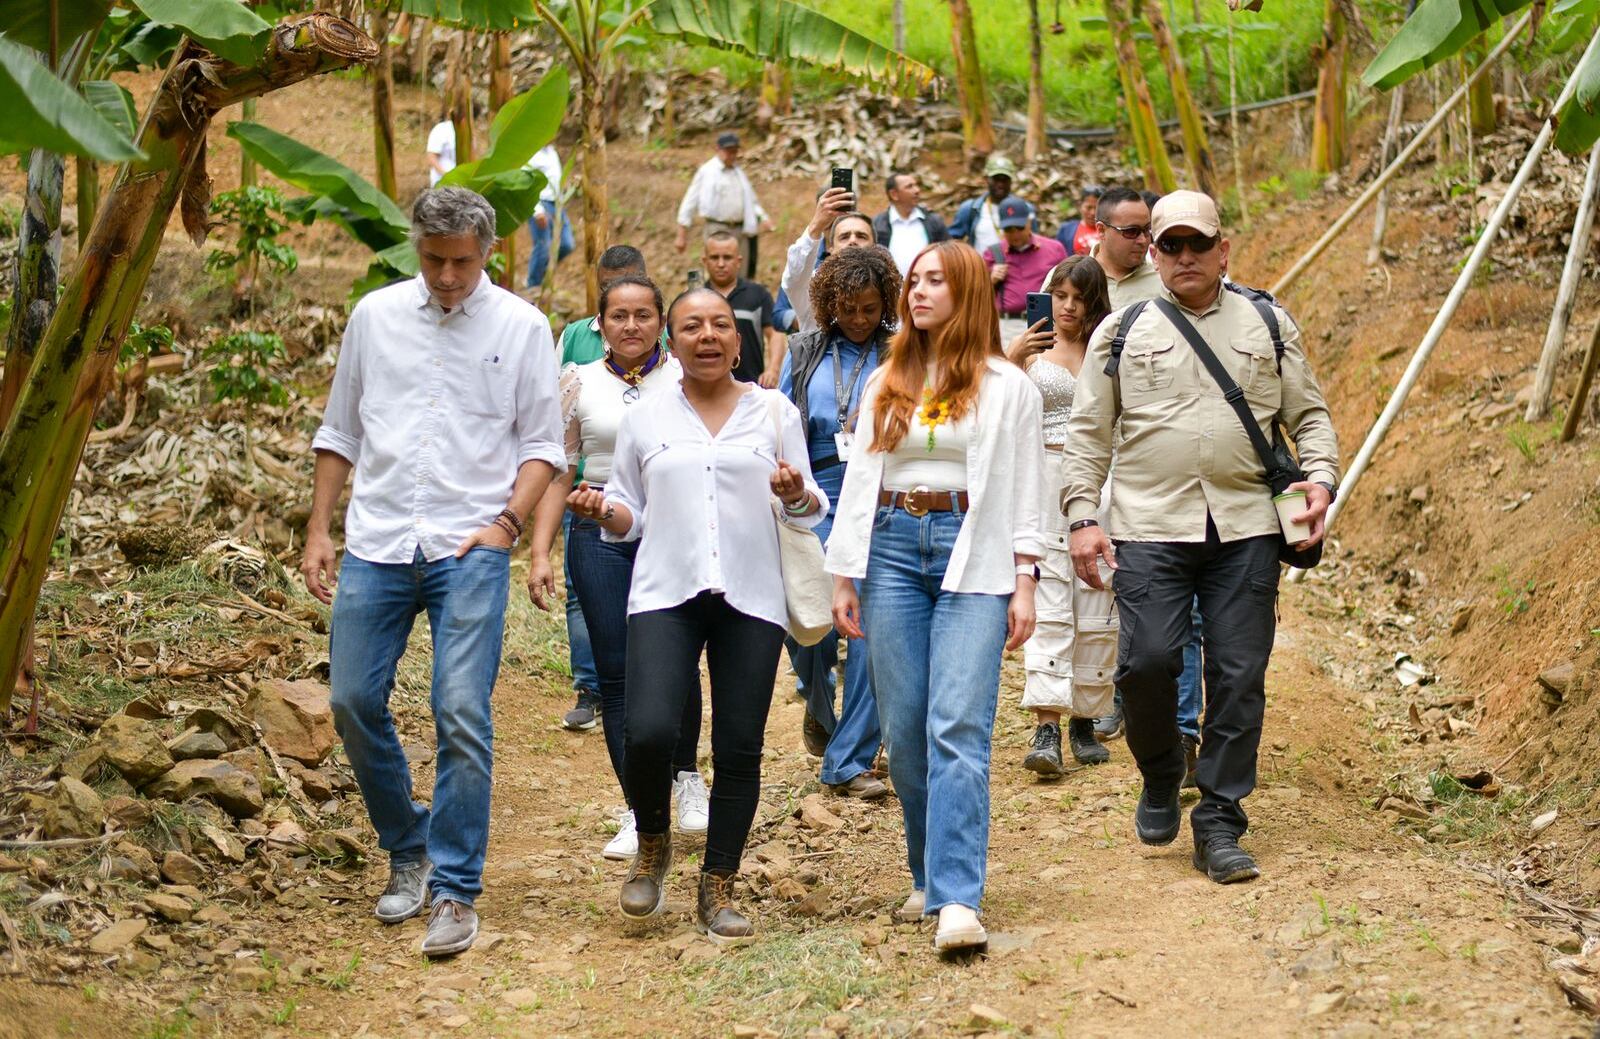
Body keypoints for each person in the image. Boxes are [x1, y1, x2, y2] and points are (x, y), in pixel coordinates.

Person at [302, 187, 565, 957]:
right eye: (432, 259)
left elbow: (542, 445)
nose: (447, 276)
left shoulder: (521, 326)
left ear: (488, 253)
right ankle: (407, 843)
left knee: (459, 709)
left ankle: (454, 887)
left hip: (470, 545)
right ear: (415, 248)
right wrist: (319, 527)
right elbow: (341, 429)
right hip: (378, 539)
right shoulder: (375, 317)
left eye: (461, 262)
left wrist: (507, 525)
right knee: (352, 699)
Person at [1061, 190, 1340, 884]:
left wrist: (1321, 479)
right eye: (1171, 245)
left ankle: (1219, 817)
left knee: (1239, 674)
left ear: (1223, 249)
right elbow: (1088, 435)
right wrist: (1082, 517)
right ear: (1154, 254)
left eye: (1198, 244)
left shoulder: (1267, 321)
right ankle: (1161, 771)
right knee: (1147, 661)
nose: (1185, 256)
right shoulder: (1121, 330)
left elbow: (1309, 416)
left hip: (1247, 525)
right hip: (1149, 524)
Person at [571, 287, 826, 946]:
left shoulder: (774, 411)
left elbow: (809, 508)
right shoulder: (646, 417)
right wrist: (603, 511)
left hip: (752, 596)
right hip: (666, 592)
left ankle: (719, 884)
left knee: (739, 744)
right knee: (650, 729)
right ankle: (653, 842)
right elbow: (630, 514)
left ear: (738, 342)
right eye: (691, 326)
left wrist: (795, 492)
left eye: (719, 325)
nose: (707, 335)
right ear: (673, 341)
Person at [827, 241, 1044, 952]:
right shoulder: (886, 377)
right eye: (914, 281)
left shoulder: (1007, 385)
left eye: (934, 282)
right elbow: (862, 478)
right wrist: (844, 573)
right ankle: (927, 869)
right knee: (904, 729)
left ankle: (956, 897)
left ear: (969, 292)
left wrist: (1026, 578)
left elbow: (1027, 486)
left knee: (956, 725)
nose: (917, 292)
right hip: (891, 548)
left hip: (973, 550)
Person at [526, 276, 707, 861]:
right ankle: (639, 809)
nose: (631, 326)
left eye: (643, 315)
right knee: (615, 672)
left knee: (678, 658)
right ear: (599, 324)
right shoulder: (578, 382)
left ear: (661, 322)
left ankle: (686, 777)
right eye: (619, 316)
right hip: (597, 531)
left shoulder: (685, 378)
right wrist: (540, 551)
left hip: (670, 530)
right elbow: (559, 470)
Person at [777, 245, 901, 798]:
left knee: (870, 629)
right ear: (829, 304)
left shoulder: (901, 351)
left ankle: (848, 758)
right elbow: (782, 423)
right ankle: (820, 704)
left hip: (880, 492)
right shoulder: (804, 351)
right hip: (818, 491)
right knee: (811, 618)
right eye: (848, 309)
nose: (858, 319)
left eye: (870, 309)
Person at [1004, 256, 1116, 775]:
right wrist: (1011, 359)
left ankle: (1086, 719)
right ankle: (1047, 725)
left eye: (1080, 298)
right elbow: (997, 409)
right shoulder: (1030, 347)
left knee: (1098, 592)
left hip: (1098, 479)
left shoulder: (1108, 349)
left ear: (1095, 303)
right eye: (1061, 295)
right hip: (1043, 474)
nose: (1068, 307)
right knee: (1047, 591)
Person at [550, 246, 655, 734]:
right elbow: (559, 427)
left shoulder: (670, 351)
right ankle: (590, 686)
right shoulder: (575, 339)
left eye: (629, 282)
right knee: (581, 593)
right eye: (610, 287)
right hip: (589, 499)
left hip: (655, 503)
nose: (629, 321)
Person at [675, 131, 774, 280]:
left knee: (741, 274)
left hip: (740, 230)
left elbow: (751, 201)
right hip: (717, 228)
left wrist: (763, 218)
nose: (732, 155)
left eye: (734, 151)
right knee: (719, 273)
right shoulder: (707, 171)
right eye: (728, 151)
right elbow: (690, 200)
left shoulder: (738, 172)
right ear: (718, 149)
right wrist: (681, 234)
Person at [779, 187, 874, 335]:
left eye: (861, 236)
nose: (853, 241)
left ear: (875, 246)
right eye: (844, 237)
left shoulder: (891, 289)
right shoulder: (813, 289)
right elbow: (794, 279)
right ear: (831, 248)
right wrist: (816, 226)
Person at [982, 197, 1067, 342]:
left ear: (1029, 222)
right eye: (1009, 230)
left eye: (1019, 228)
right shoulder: (993, 253)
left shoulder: (1054, 249)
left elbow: (1068, 284)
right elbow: (977, 295)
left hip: (1046, 321)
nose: (1015, 234)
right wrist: (991, 280)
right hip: (1009, 326)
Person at [703, 231, 782, 387]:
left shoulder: (758, 294)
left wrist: (773, 369)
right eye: (714, 257)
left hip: (751, 388)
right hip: (704, 390)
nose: (721, 264)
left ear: (739, 261)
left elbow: (775, 334)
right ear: (704, 261)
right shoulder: (694, 299)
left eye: (727, 257)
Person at [1086, 186, 1162, 309]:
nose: (1143, 240)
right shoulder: (1070, 278)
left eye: (1147, 230)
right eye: (1131, 231)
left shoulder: (1162, 281)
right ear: (1101, 230)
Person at [873, 171, 950, 276]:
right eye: (909, 187)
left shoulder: (933, 221)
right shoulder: (877, 225)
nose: (917, 190)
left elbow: (948, 253)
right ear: (894, 194)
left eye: (916, 185)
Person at [525, 142, 575, 288]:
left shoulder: (552, 151)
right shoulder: (531, 154)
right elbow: (526, 184)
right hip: (541, 202)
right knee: (543, 246)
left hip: (557, 203)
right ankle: (533, 285)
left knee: (567, 244)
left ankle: (543, 272)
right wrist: (537, 210)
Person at [949, 155, 1020, 257]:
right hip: (981, 265)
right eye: (996, 179)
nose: (1000, 184)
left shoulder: (1022, 209)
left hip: (1014, 266)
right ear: (986, 179)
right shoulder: (970, 209)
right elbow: (952, 240)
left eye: (1005, 180)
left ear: (1011, 181)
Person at [1055, 185, 1103, 257]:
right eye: (1088, 207)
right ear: (1080, 205)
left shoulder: (1111, 230)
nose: (1093, 213)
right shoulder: (1066, 230)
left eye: (1097, 208)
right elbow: (1059, 256)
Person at [426, 112, 456, 187]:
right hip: (442, 182)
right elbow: (431, 156)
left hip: (461, 183)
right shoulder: (442, 129)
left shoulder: (469, 129)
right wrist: (446, 176)